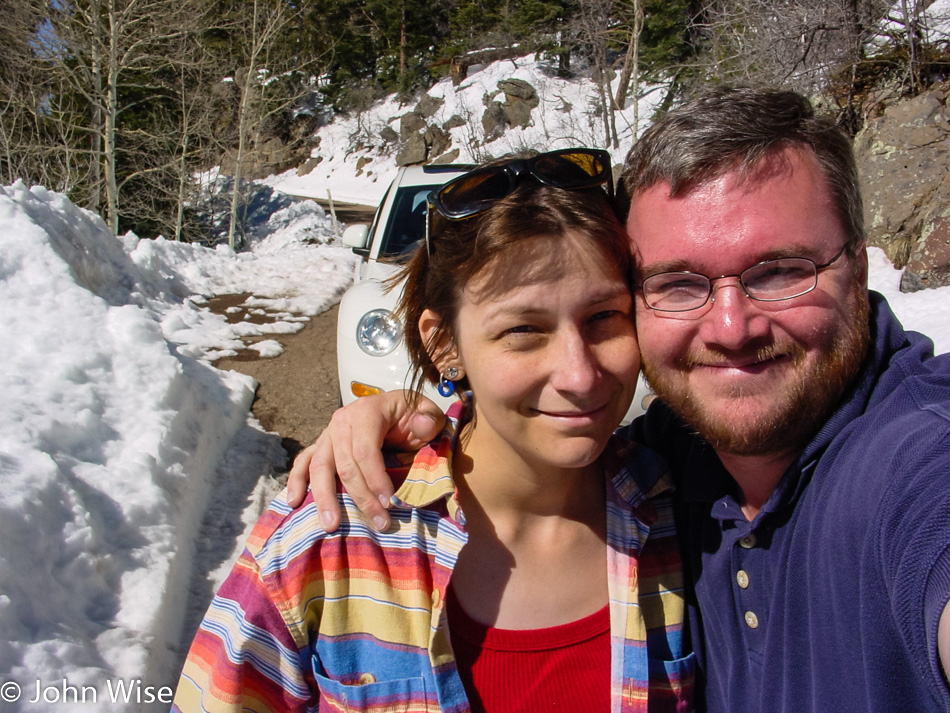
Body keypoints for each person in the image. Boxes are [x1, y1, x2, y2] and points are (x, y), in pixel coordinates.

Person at [287, 86, 950, 713]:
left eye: (779, 271)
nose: (730, 328)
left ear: (859, 269)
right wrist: (403, 417)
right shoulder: (667, 462)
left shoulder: (915, 458)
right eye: (679, 283)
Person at [171, 149, 695, 712]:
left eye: (603, 318)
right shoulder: (328, 540)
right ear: (444, 344)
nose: (579, 373)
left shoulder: (682, 513)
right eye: (523, 329)